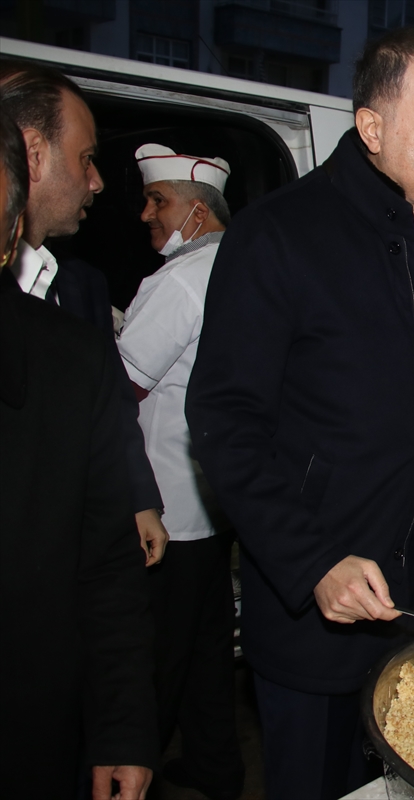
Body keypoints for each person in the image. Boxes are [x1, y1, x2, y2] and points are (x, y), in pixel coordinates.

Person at [185, 28, 414, 799]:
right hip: (317, 604)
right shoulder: (278, 233)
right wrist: (311, 561)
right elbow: (225, 421)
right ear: (371, 127)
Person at [0, 105, 158, 800]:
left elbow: (103, 566)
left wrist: (122, 726)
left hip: (30, 721)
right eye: (86, 159)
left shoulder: (68, 346)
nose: (99, 185)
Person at [0, 59, 168, 567]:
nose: (95, 182)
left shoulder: (82, 287)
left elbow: (115, 406)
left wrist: (138, 496)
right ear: (33, 155)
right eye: (86, 159)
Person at [117, 144, 244, 799]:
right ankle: (217, 771)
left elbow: (124, 387)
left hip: (163, 507)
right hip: (218, 506)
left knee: (156, 661)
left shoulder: (180, 280)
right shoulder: (247, 265)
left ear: (197, 213)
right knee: (206, 652)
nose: (146, 214)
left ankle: (129, 776)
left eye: (157, 201)